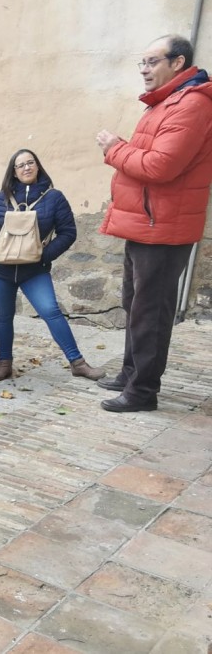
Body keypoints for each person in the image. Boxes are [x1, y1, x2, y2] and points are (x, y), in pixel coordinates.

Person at [94, 34, 212, 413]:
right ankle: (131, 374)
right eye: (141, 63)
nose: (144, 70)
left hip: (163, 228)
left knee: (152, 312)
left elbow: (160, 167)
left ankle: (142, 392)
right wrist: (124, 149)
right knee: (135, 304)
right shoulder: (167, 102)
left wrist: (114, 148)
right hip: (146, 224)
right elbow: (151, 157)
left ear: (177, 63)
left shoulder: (191, 104)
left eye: (151, 62)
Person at [0, 149, 105, 383]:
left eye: (30, 163)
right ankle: (4, 365)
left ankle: (77, 363)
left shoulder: (54, 197)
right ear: (13, 172)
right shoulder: (1, 198)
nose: (26, 168)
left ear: (37, 167)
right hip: (0, 271)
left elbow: (68, 233)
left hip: (34, 271)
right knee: (4, 317)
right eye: (20, 165)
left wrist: (45, 255)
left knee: (50, 311)